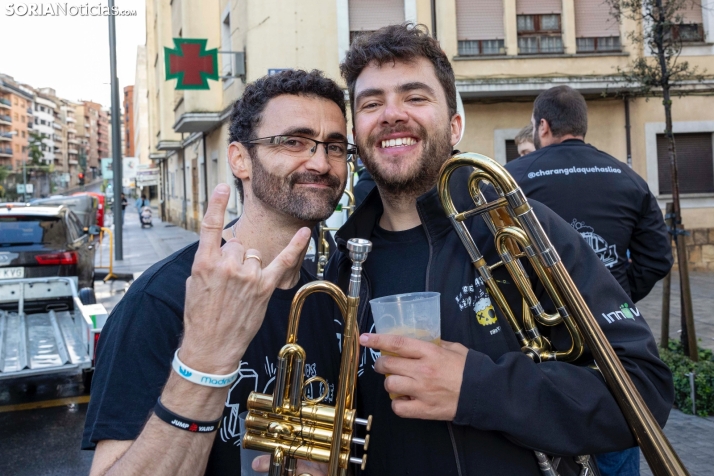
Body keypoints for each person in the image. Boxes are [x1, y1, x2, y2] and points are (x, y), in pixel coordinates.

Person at [324, 24, 674, 475]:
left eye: (415, 97)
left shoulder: (521, 230)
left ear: (454, 126)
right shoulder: (343, 263)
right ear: (357, 132)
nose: (392, 114)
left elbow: (644, 388)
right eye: (372, 103)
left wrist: (478, 388)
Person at [83, 69, 355, 475]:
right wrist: (204, 360)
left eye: (335, 146)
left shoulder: (326, 298)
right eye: (294, 142)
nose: (320, 161)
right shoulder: (160, 300)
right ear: (240, 159)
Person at [504, 85, 674, 475]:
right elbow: (657, 258)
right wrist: (616, 296)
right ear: (582, 125)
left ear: (541, 125)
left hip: (540, 341)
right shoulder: (628, 178)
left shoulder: (511, 180)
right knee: (616, 436)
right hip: (611, 338)